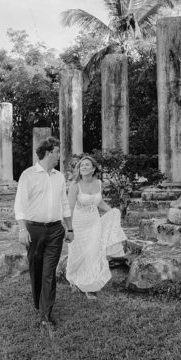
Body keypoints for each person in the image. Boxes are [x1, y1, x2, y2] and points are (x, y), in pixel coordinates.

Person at [13, 136, 73, 330]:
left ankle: (46, 315)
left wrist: (69, 228)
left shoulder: (59, 176)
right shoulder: (28, 175)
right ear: (48, 152)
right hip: (33, 229)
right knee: (36, 270)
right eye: (57, 152)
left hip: (56, 230)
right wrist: (22, 229)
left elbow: (64, 203)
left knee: (49, 272)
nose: (59, 156)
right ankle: (39, 303)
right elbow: (20, 205)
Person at [65, 154, 127, 298]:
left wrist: (113, 211)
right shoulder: (75, 185)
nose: (84, 167)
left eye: (87, 165)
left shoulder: (99, 183)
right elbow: (70, 208)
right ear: (79, 169)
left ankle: (89, 286)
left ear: (93, 169)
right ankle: (74, 279)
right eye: (82, 165)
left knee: (94, 252)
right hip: (78, 224)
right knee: (78, 254)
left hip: (94, 223)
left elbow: (99, 202)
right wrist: (69, 228)